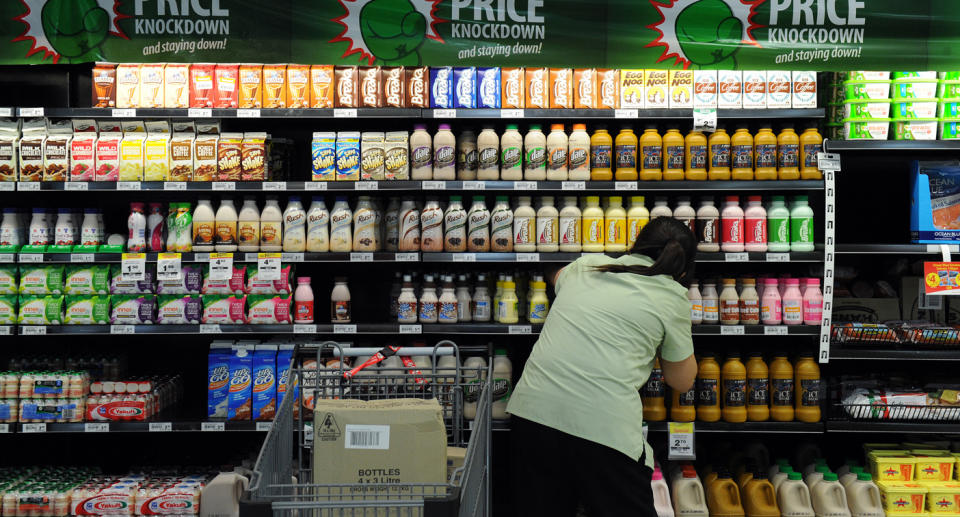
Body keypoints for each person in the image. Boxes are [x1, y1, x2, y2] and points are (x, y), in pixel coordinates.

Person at [507, 216, 699, 517]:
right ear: (684, 268)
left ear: (634, 244)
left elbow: (556, 276)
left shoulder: (588, 265)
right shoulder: (672, 297)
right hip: (604, 430)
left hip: (532, 415)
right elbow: (682, 380)